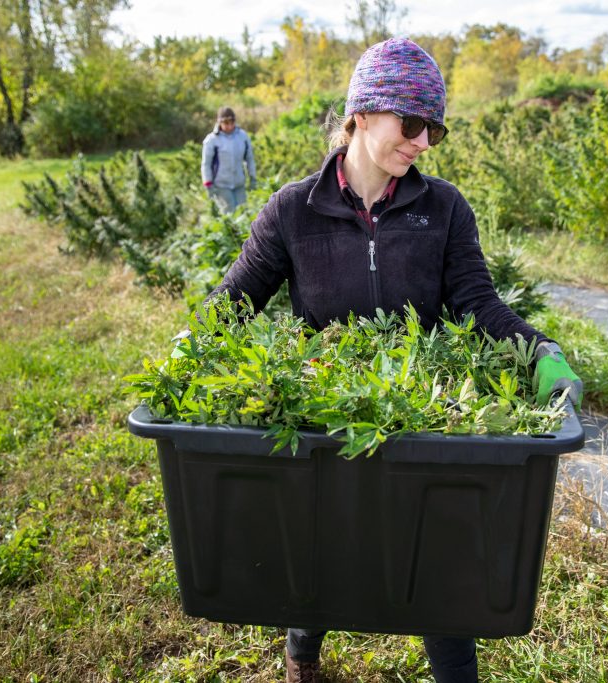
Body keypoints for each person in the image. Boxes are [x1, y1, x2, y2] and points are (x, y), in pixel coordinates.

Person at [207, 38, 582, 683]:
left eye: (434, 128)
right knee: (316, 545)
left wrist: (541, 350)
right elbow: (232, 305)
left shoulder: (443, 209)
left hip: (420, 416)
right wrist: (194, 343)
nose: (424, 142)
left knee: (436, 562)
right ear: (360, 116)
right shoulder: (293, 211)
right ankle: (303, 655)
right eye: (411, 124)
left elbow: (477, 303)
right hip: (326, 415)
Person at [201, 106, 257, 214]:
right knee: (229, 213)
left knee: (243, 212)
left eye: (231, 122)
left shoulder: (242, 136)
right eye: (226, 123)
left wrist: (253, 177)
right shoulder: (212, 140)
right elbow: (206, 164)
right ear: (219, 123)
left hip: (239, 183)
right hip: (221, 185)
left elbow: (249, 159)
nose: (229, 126)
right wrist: (208, 183)